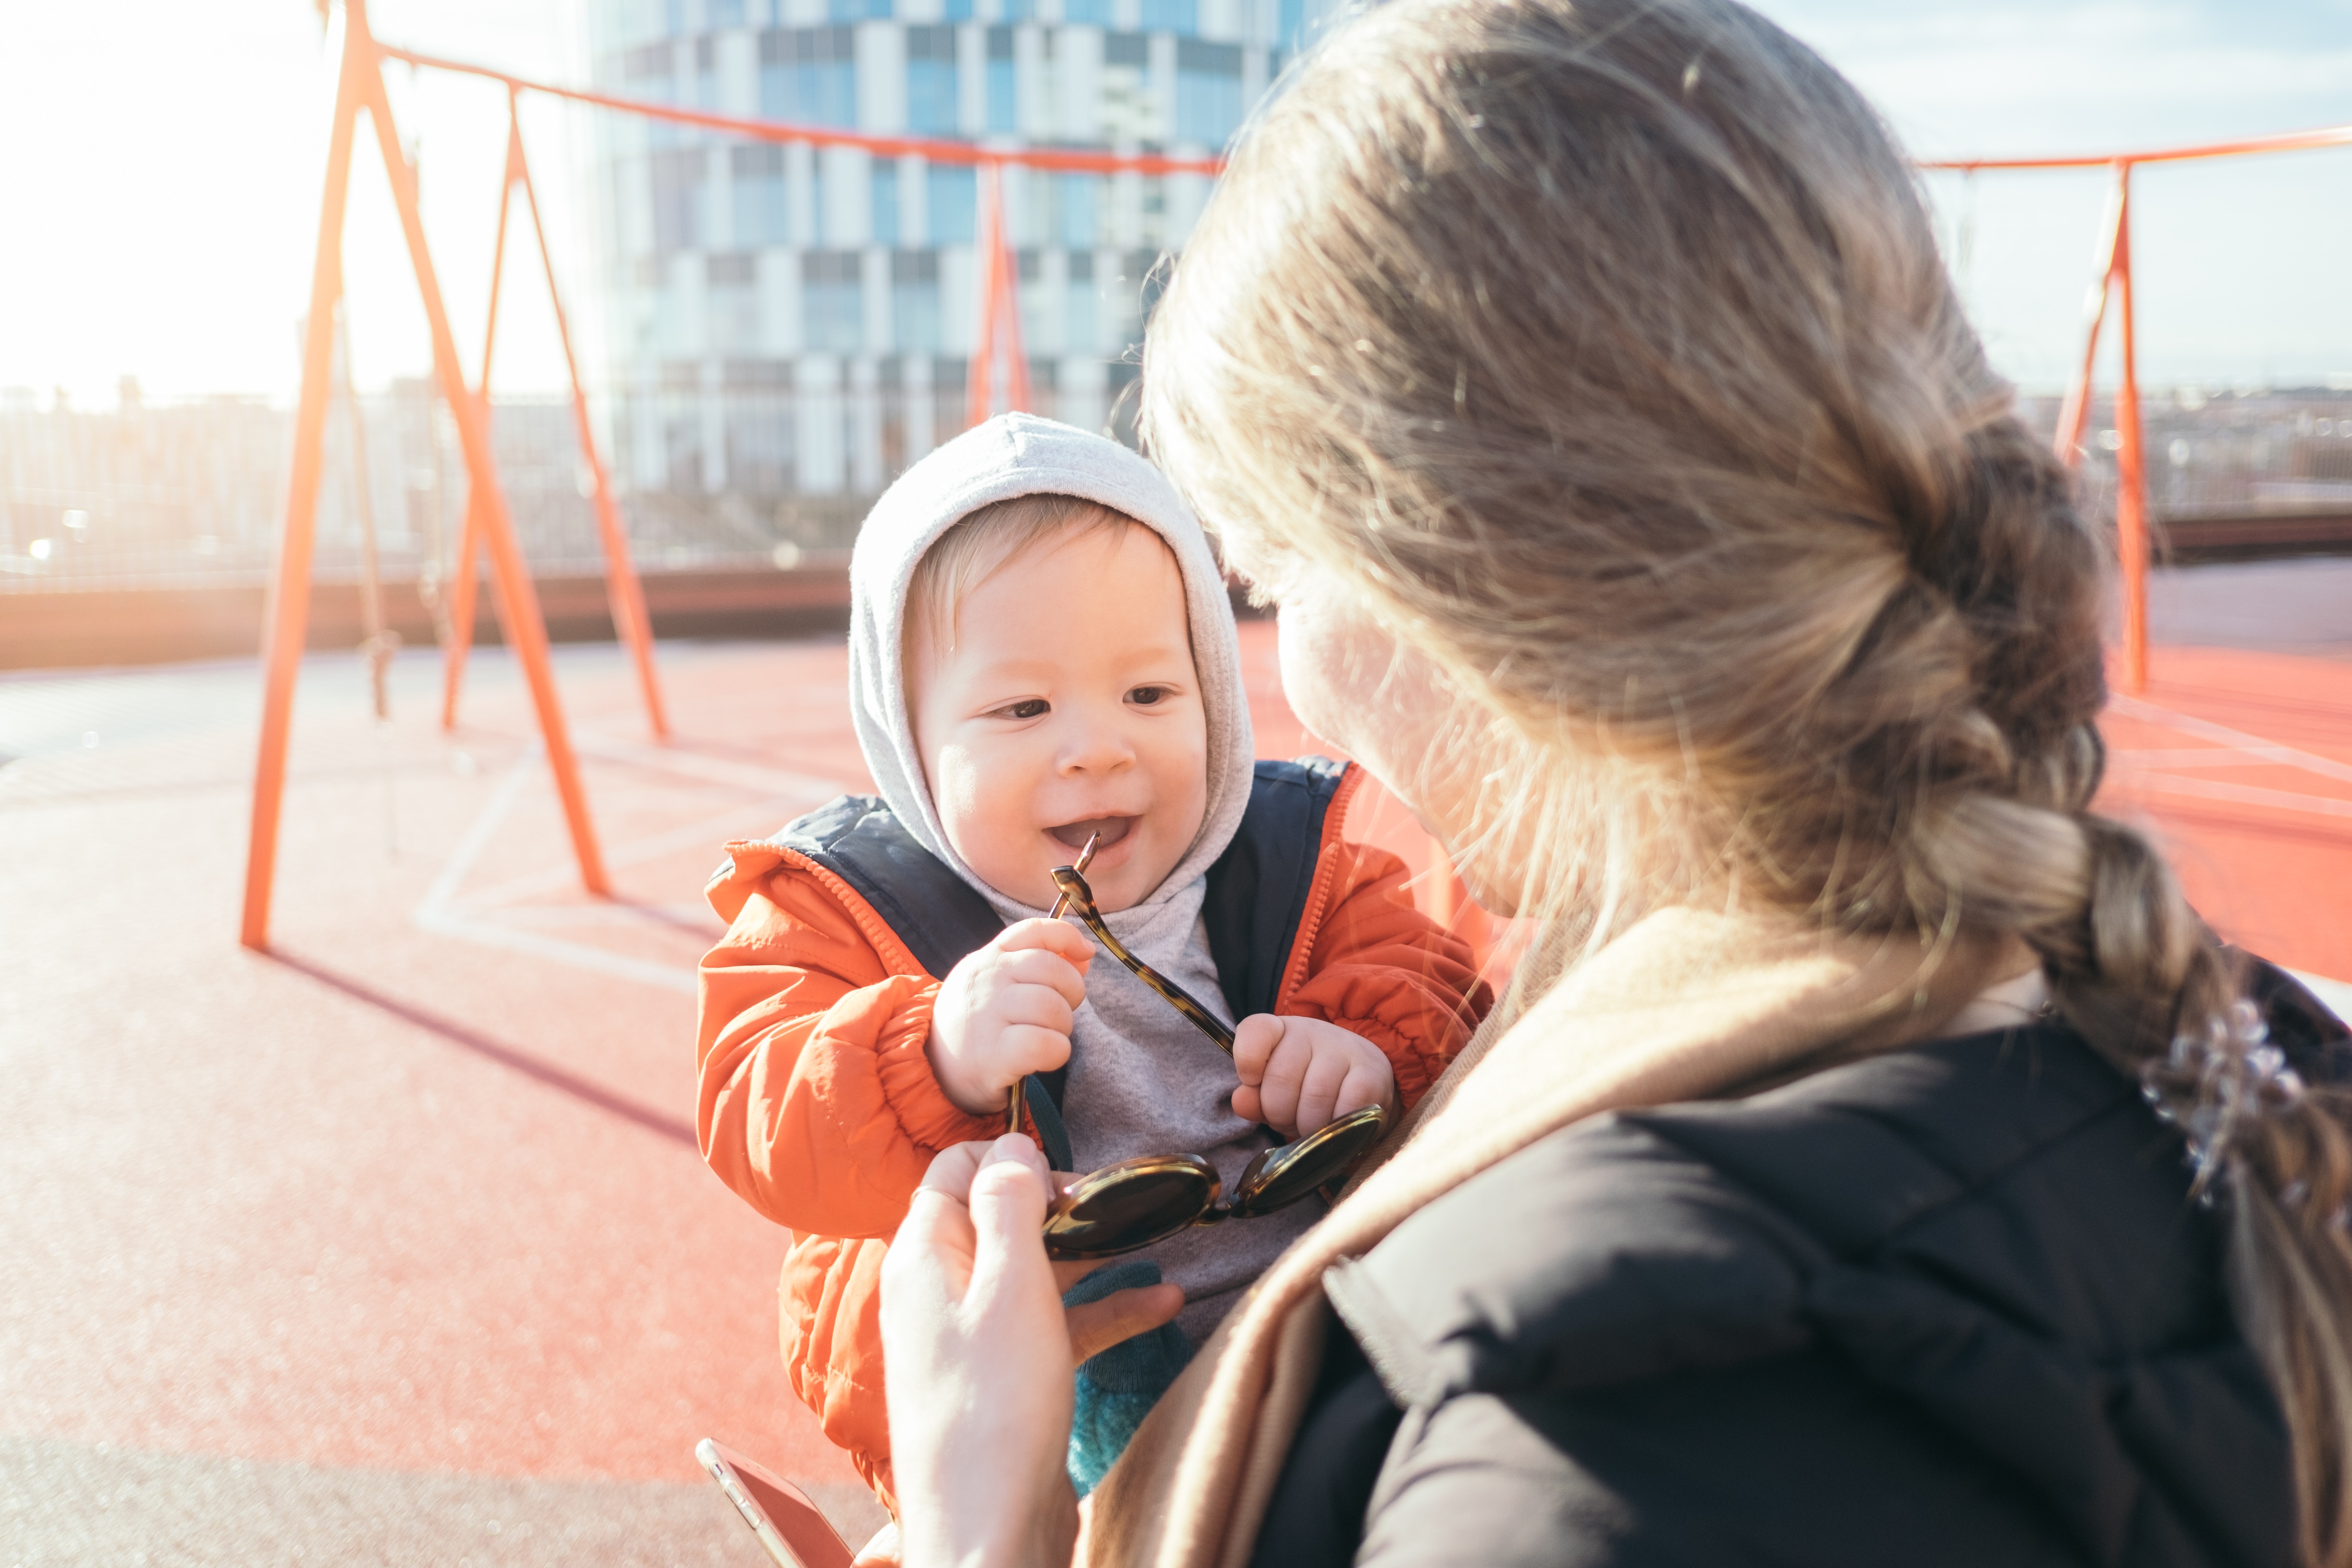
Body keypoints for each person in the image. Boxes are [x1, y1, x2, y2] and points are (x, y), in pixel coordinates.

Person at [874, 1, 2352, 1565]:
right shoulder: (2242, 1047)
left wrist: (994, 1534)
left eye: (1271, 570)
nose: (1289, 673)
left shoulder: (1587, 1410)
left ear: (1457, 587)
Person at [694, 414, 1491, 1519]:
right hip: (1034, 1383)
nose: (1097, 746)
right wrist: (927, 1053)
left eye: (1150, 695)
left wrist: (1371, 1054)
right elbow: (752, 1106)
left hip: (1318, 1320)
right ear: (910, 740)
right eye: (1023, 708)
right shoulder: (845, 909)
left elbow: (1439, 987)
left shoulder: (1295, 859)